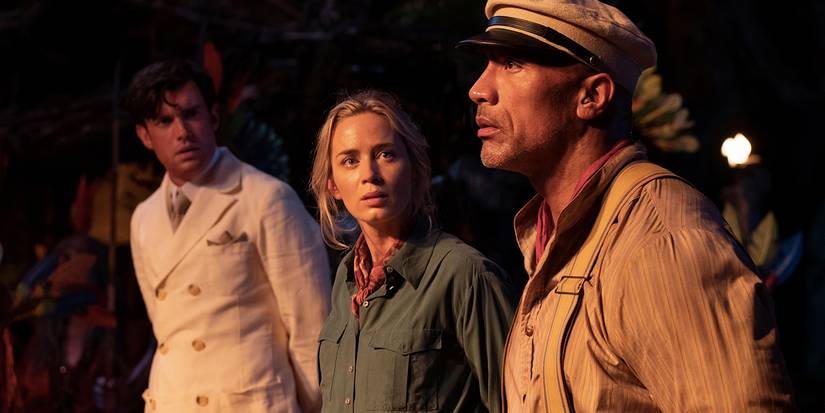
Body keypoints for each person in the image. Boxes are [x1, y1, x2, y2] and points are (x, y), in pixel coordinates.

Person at [457, 1, 797, 411]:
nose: (479, 89)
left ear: (592, 96)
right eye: (488, 64)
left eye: (512, 64)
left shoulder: (662, 242)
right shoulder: (562, 234)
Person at [124, 59, 331, 413]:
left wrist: (317, 407)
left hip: (251, 402)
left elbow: (312, 328)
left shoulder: (266, 197)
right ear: (145, 135)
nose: (182, 132)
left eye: (191, 115)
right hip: (173, 400)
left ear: (214, 118)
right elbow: (167, 327)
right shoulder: (143, 217)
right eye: (164, 121)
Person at [309, 90, 516, 413]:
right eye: (350, 160)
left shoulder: (464, 274)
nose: (369, 175)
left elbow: (517, 402)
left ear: (415, 168)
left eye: (386, 154)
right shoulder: (346, 280)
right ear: (333, 184)